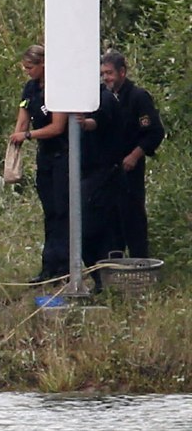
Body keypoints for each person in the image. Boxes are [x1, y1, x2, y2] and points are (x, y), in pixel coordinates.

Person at [9, 44, 70, 284]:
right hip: (44, 156)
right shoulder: (30, 89)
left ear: (43, 65)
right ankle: (49, 266)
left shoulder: (57, 90)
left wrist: (29, 136)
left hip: (62, 155)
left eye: (31, 67)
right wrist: (16, 141)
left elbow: (57, 127)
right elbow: (23, 117)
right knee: (49, 212)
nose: (27, 71)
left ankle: (65, 265)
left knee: (62, 210)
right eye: (25, 67)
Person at [100, 50, 165, 258]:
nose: (106, 78)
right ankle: (114, 267)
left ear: (122, 72)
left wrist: (135, 155)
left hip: (130, 167)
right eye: (103, 74)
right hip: (108, 167)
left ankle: (140, 264)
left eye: (109, 73)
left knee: (133, 217)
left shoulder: (138, 97)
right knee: (110, 220)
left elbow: (155, 132)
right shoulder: (103, 97)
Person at [78, 84, 127, 293]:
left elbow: (97, 122)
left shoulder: (104, 98)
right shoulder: (80, 97)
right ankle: (99, 278)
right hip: (87, 173)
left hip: (104, 173)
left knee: (95, 228)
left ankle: (105, 279)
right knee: (86, 229)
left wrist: (84, 123)